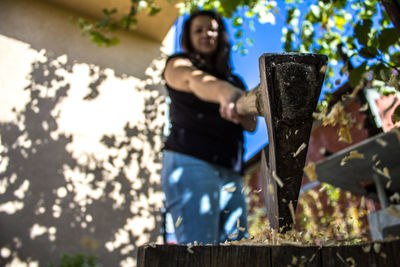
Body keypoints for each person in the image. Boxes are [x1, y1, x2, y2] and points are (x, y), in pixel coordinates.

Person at [161, 9, 257, 245]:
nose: (206, 34)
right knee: (199, 248)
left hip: (231, 170)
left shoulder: (236, 80)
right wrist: (227, 95)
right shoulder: (178, 64)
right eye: (199, 30)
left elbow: (252, 123)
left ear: (221, 35)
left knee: (237, 248)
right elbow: (194, 80)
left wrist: (240, 104)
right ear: (189, 37)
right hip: (190, 162)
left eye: (212, 29)